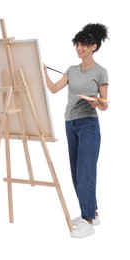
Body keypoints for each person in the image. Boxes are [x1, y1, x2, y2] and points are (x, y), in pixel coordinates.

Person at [44, 23, 109, 238]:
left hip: (88, 124)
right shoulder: (71, 70)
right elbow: (54, 89)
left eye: (84, 45)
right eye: (78, 44)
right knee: (76, 172)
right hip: (70, 123)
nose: (80, 48)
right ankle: (93, 212)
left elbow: (104, 104)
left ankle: (87, 219)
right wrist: (42, 72)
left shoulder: (100, 72)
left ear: (94, 47)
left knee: (85, 172)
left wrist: (97, 103)